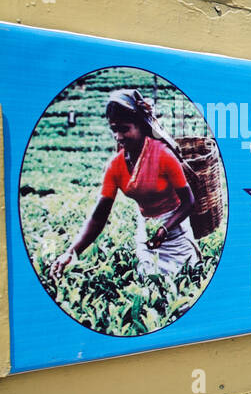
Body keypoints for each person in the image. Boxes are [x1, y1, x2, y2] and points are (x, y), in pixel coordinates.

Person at [52, 90, 200, 279]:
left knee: (184, 281)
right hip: (147, 229)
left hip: (175, 230)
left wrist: (165, 229)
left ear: (140, 126)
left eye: (124, 129)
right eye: (114, 129)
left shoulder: (163, 155)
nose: (118, 136)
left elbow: (189, 202)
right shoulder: (115, 166)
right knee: (149, 281)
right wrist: (70, 253)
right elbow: (98, 217)